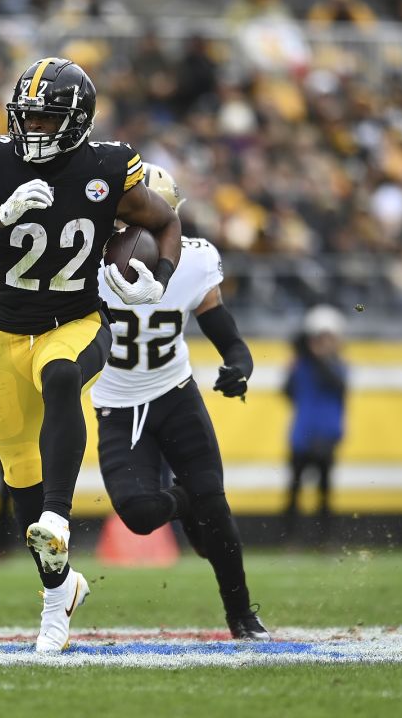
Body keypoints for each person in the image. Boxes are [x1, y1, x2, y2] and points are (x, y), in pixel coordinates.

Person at [0, 57, 183, 652]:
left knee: (62, 374)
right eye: (28, 117)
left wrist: (160, 279)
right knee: (18, 472)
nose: (34, 129)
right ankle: (60, 589)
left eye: (47, 118)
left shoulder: (107, 166)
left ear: (77, 122)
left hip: (77, 321)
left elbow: (166, 221)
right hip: (5, 336)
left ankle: (60, 518)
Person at [90, 163, 271, 640]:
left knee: (218, 520)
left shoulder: (192, 261)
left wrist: (240, 367)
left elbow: (228, 337)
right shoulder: (86, 266)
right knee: (141, 514)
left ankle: (241, 615)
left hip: (175, 393)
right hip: (119, 404)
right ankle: (194, 501)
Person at [282, 305, 348, 546]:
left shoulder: (339, 366)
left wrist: (316, 357)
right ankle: (291, 540)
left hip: (326, 437)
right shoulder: (301, 365)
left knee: (324, 493)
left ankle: (326, 539)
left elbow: (338, 385)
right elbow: (287, 392)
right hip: (302, 436)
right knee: (295, 492)